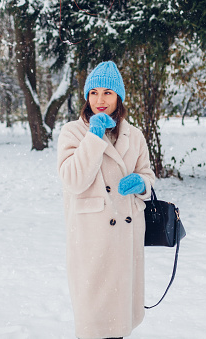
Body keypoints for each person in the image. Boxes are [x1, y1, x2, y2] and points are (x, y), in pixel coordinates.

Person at [57, 60, 155, 339]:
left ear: (119, 97)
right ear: (86, 97)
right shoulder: (72, 132)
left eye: (108, 93)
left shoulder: (134, 135)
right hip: (92, 238)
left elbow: (148, 175)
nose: (100, 100)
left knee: (118, 324)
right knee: (93, 322)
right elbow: (74, 180)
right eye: (94, 92)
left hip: (126, 236)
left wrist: (142, 184)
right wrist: (94, 137)